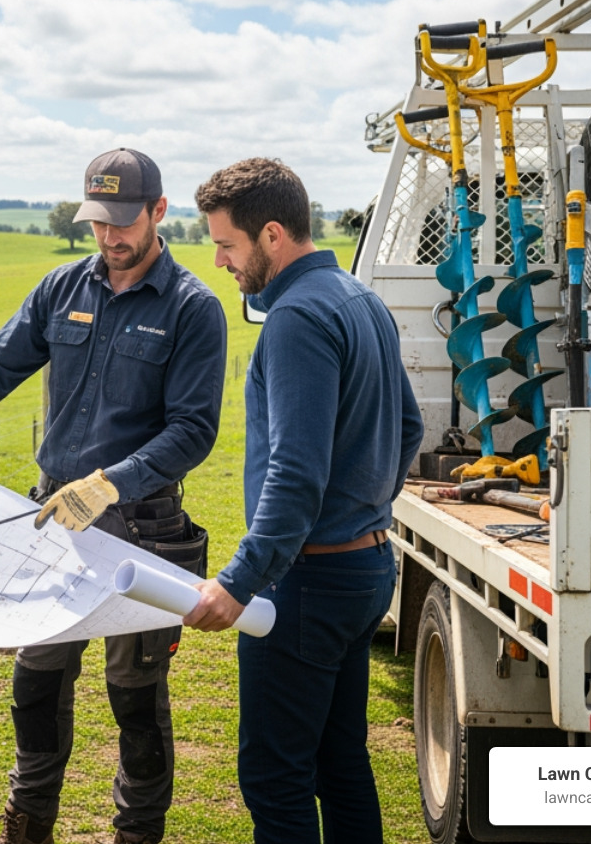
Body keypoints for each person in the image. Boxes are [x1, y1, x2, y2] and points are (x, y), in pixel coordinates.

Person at [0, 148, 227, 844]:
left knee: (135, 702)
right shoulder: (61, 290)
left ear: (157, 212)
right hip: (53, 523)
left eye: (123, 223)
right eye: (98, 224)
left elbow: (193, 430)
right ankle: (27, 829)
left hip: (140, 534)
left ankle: (137, 833)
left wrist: (111, 483)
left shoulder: (192, 309)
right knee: (36, 686)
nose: (110, 238)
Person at [184, 157, 423, 844]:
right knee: (339, 760)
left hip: (308, 582)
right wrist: (364, 513)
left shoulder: (296, 318)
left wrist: (239, 582)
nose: (223, 262)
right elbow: (407, 427)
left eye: (228, 245)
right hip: (364, 571)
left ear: (273, 236)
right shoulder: (360, 300)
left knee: (274, 775)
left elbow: (293, 473)